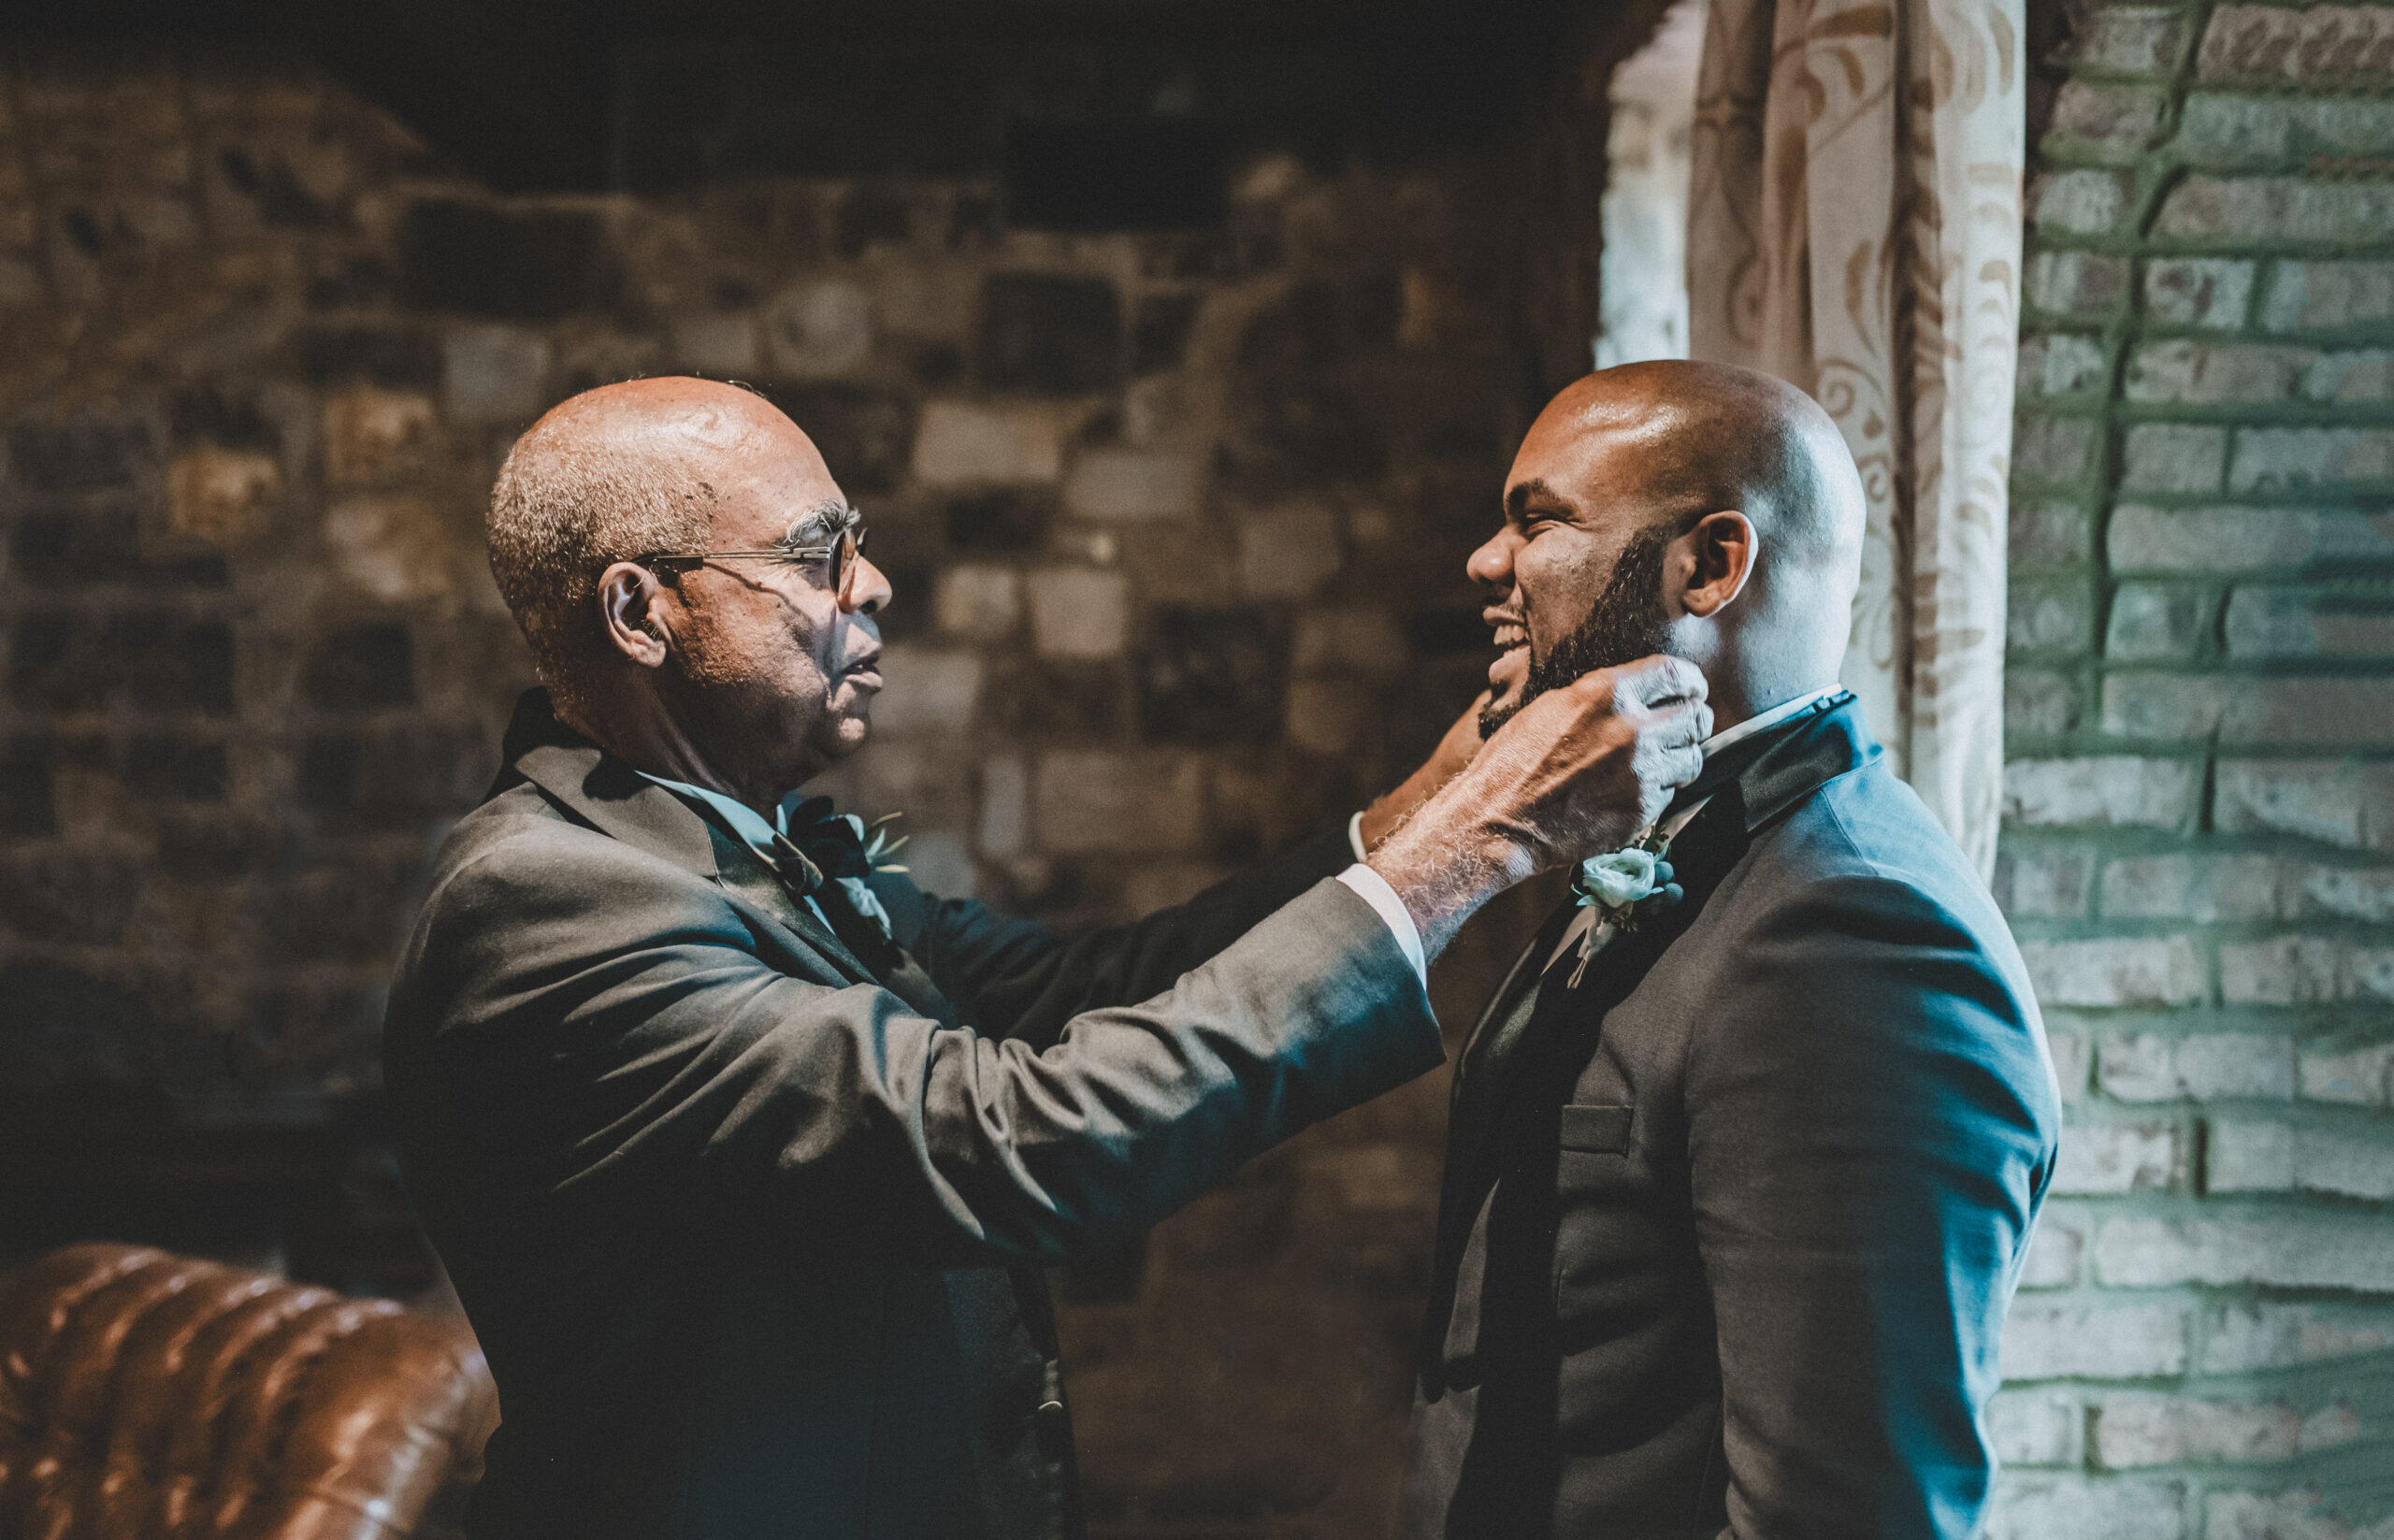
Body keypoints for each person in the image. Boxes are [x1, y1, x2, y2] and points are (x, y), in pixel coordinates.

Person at [382, 378, 1711, 1540]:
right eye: (816, 552)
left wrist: (1437, 795)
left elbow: (1088, 994)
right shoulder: (546, 903)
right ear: (638, 611)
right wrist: (1481, 844)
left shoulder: (728, 835)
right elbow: (1017, 1140)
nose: (871, 583)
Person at [1377, 361, 2062, 1539]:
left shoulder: (1851, 943)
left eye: (1537, 521)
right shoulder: (1688, 834)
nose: (1487, 562)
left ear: (1708, 567)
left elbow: (1849, 1511)